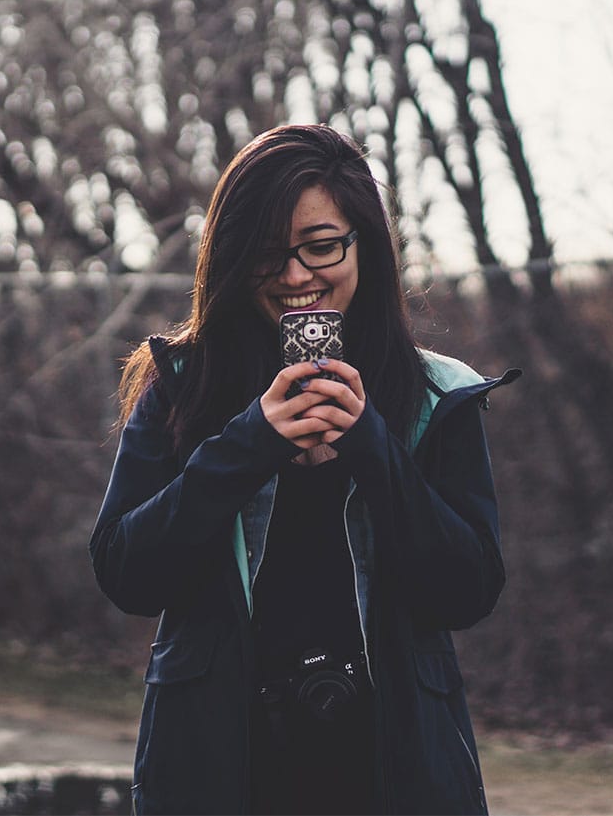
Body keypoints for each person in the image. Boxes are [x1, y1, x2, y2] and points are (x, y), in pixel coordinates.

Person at [89, 123, 519, 815]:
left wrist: (372, 446)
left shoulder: (438, 394)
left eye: (321, 247)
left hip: (393, 776)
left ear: (366, 248)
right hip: (222, 777)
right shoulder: (181, 382)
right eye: (266, 254)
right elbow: (124, 570)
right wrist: (248, 443)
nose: (296, 276)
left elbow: (468, 590)